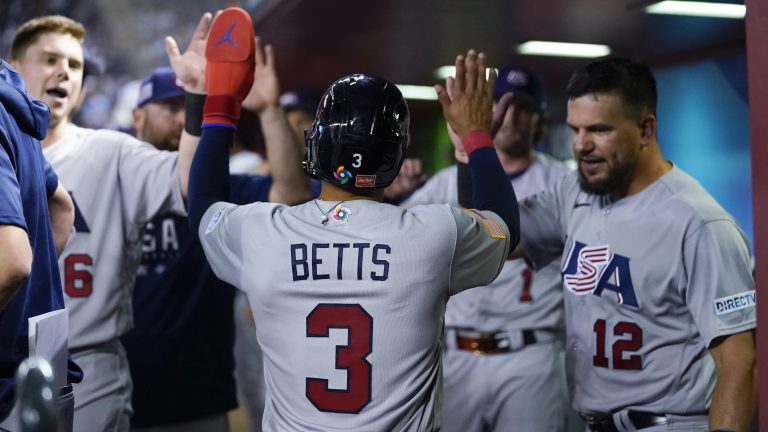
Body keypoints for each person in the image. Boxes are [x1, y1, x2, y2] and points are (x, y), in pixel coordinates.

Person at [187, 8, 519, 430]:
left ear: (316, 145)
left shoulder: (262, 232)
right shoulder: (433, 234)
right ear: (395, 157)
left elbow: (201, 206)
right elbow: (504, 225)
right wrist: (476, 138)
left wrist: (220, 104)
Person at [513, 58, 756, 431]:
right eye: (575, 129)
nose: (581, 145)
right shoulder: (574, 193)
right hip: (595, 421)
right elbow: (497, 237)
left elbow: (740, 363)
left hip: (670, 422)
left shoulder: (700, 224)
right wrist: (473, 148)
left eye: (598, 130)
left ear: (646, 129)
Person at [9, 14, 204, 431]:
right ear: (14, 66)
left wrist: (198, 99)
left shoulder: (110, 150)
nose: (64, 71)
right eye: (49, 59)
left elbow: (190, 184)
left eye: (75, 65)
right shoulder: (10, 153)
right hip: (10, 362)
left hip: (89, 362)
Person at [122, 38, 312, 431]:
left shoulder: (216, 188)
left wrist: (269, 110)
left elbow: (291, 196)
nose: (181, 119)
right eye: (170, 108)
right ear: (138, 117)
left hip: (196, 396)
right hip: (113, 390)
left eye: (189, 107)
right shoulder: (111, 181)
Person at [403, 65, 571, 432]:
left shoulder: (562, 182)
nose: (509, 117)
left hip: (530, 353)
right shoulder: (445, 182)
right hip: (457, 351)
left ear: (539, 119)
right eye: (499, 105)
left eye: (522, 108)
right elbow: (397, 244)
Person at [0, 58, 76, 430]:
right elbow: (62, 206)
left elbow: (13, 260)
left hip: (7, 393)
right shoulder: (10, 101)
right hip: (45, 362)